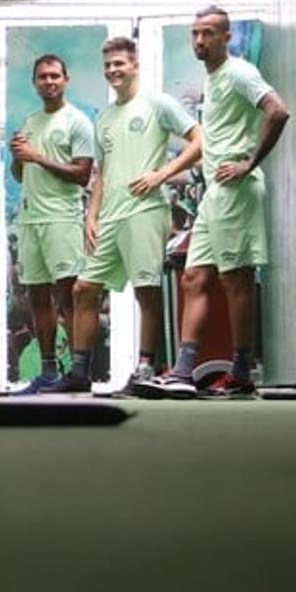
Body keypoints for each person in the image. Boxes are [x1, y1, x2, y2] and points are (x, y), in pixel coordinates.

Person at [143, 7, 290, 399]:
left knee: (235, 280)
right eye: (195, 33)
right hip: (214, 193)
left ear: (225, 37)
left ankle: (242, 374)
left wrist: (250, 163)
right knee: (194, 278)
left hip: (237, 189)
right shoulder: (214, 79)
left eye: (208, 33)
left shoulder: (240, 72)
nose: (199, 41)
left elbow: (278, 111)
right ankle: (183, 372)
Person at [50, 37, 204, 395]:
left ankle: (145, 370)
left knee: (146, 292)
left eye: (119, 63)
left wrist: (161, 174)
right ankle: (79, 373)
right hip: (111, 217)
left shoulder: (157, 103)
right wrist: (92, 215)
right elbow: (102, 172)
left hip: (146, 211)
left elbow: (199, 141)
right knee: (84, 289)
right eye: (107, 65)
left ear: (135, 65)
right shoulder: (103, 118)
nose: (112, 70)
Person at [8, 54, 96, 395]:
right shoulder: (30, 122)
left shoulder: (77, 122)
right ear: (35, 83)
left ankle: (78, 372)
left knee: (69, 297)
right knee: (37, 298)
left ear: (66, 79)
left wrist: (38, 157)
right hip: (30, 221)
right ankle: (47, 373)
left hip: (62, 218)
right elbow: (20, 174)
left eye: (55, 76)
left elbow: (82, 174)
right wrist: (20, 160)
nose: (49, 81)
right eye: (43, 77)